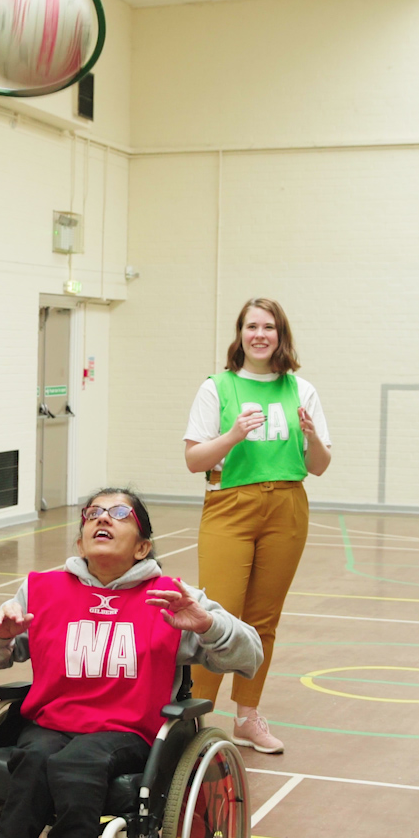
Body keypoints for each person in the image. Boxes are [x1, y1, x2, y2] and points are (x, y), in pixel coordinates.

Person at [0, 489, 262, 838]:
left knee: (77, 763)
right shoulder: (43, 588)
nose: (103, 519)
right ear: (81, 538)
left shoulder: (170, 597)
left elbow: (250, 655)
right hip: (50, 724)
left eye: (119, 514)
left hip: (126, 732)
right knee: (34, 758)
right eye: (93, 513)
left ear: (142, 545)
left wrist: (205, 625)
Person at [181, 297, 331, 754]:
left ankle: (247, 716)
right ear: (240, 334)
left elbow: (320, 465)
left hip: (286, 505)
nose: (260, 334)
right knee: (213, 615)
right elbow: (193, 460)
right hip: (230, 503)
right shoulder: (217, 387)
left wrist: (309, 435)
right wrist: (232, 435)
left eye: (269, 327)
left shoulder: (301, 390)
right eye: (252, 326)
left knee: (264, 619)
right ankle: (194, 721)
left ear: (281, 335)